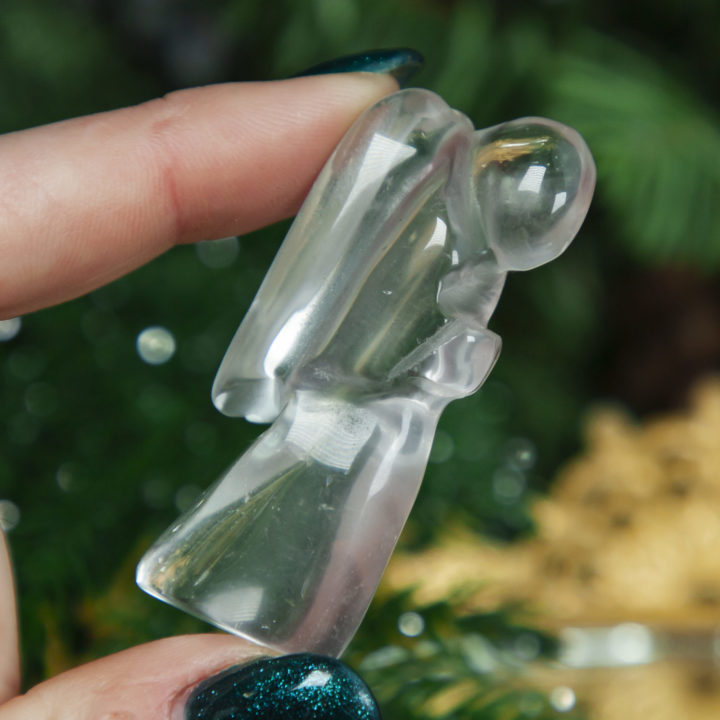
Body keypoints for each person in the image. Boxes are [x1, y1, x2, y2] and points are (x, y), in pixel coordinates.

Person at [0, 50, 422, 720]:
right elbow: (315, 291)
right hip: (341, 399)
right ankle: (217, 574)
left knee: (341, 511)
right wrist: (264, 371)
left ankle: (266, 591)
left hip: (385, 421)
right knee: (289, 487)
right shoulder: (417, 174)